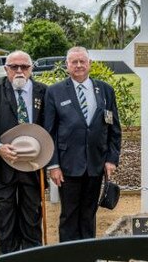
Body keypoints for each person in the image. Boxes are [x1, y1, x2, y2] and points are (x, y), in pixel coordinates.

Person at [43, 46, 121, 243]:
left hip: (96, 164)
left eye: (82, 61)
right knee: (69, 215)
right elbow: (49, 132)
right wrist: (53, 165)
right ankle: (68, 257)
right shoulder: (55, 92)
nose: (78, 65)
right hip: (68, 166)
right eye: (74, 62)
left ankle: (87, 254)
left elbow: (114, 128)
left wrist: (111, 159)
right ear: (67, 65)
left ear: (89, 64)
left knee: (89, 214)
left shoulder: (105, 91)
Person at [0, 51, 48, 254]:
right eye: (14, 67)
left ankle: (32, 255)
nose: (19, 71)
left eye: (24, 67)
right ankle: (7, 257)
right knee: (5, 214)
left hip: (33, 164)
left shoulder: (42, 91)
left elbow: (48, 125)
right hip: (3, 164)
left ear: (31, 69)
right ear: (5, 69)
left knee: (32, 212)